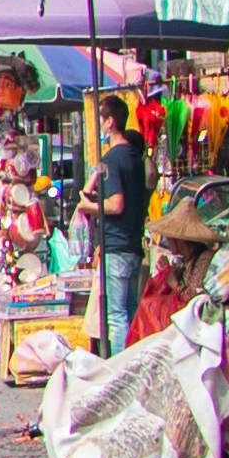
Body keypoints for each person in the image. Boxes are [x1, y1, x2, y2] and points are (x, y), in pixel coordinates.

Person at [80, 94, 154, 340]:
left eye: (101, 120)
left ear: (109, 122)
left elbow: (115, 204)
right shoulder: (133, 157)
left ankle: (122, 368)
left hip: (117, 246)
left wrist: (88, 207)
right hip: (133, 246)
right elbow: (91, 186)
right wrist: (100, 165)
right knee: (130, 312)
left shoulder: (114, 159)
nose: (100, 126)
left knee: (117, 316)